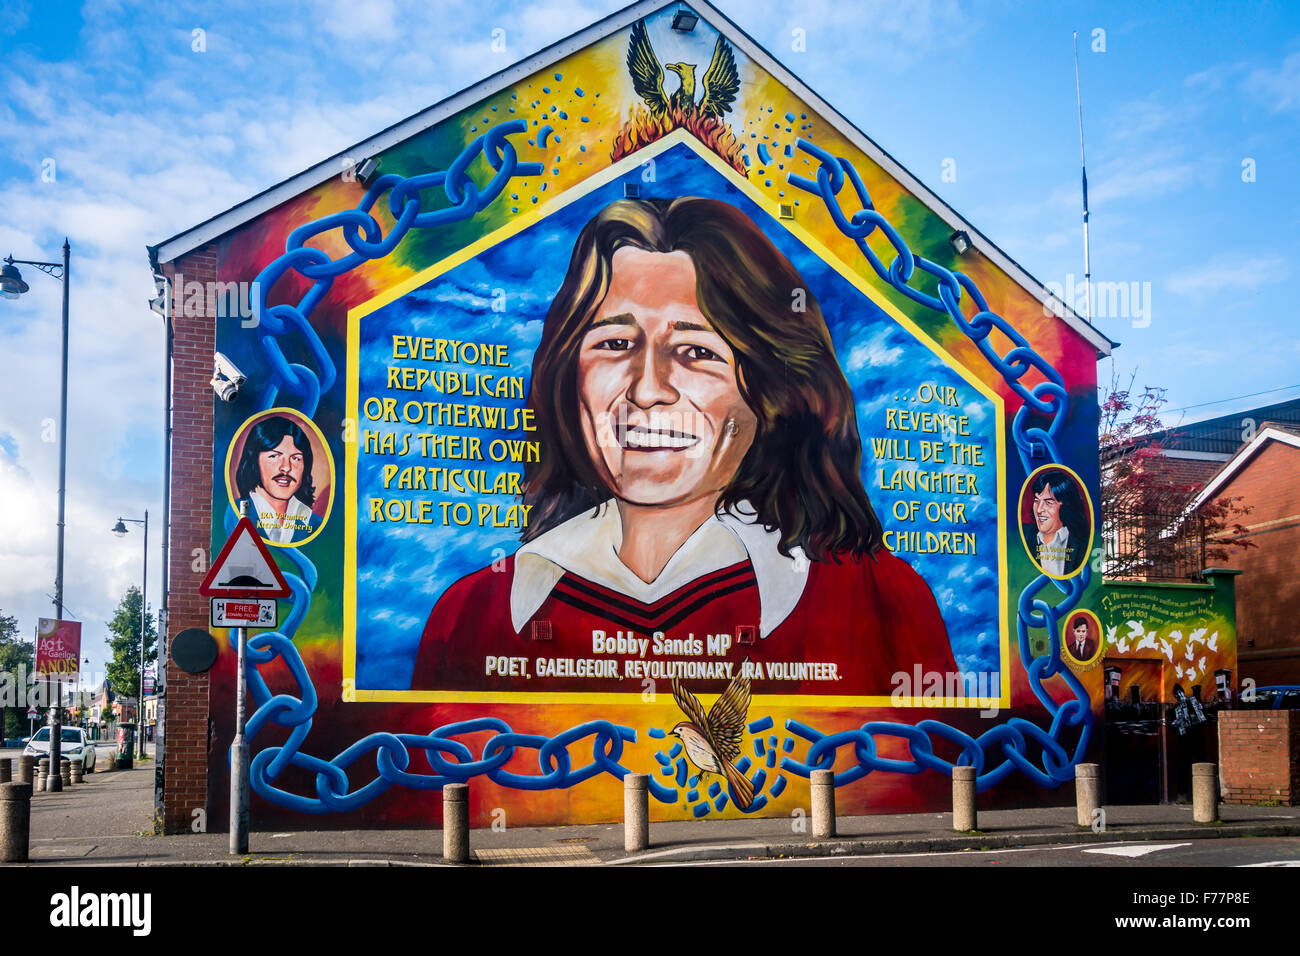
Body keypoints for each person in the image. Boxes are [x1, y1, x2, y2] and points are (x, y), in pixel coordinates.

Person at [411, 197, 957, 695]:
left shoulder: (877, 600)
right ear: (568, 374)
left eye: (696, 352)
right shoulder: (474, 615)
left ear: (769, 388)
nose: (648, 389)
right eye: (615, 343)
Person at [233, 415, 323, 545]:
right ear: (254, 460)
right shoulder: (235, 513)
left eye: (295, 458)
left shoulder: (315, 524)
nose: (286, 467)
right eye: (274, 456)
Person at [1024, 468, 1087, 577]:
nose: (1039, 510)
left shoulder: (1083, 540)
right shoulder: (1022, 536)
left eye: (1048, 502)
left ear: (1066, 506)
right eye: (1036, 501)